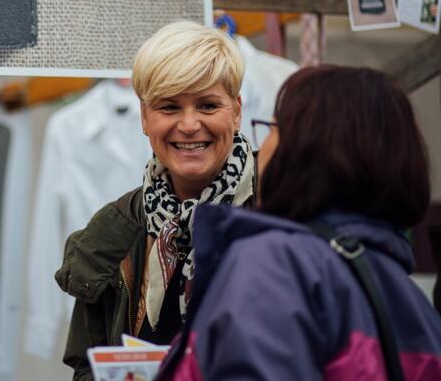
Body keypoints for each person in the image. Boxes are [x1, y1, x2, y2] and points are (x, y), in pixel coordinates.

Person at [158, 65, 441, 380]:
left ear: (303, 148)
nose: (261, 147)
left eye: (272, 128)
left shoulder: (275, 264)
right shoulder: (410, 297)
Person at [56, 21, 255, 380]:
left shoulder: (281, 211)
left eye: (208, 106)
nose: (190, 124)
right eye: (169, 107)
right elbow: (87, 364)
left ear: (237, 111)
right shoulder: (115, 230)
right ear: (145, 117)